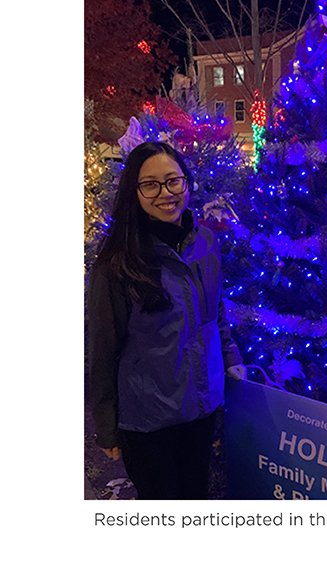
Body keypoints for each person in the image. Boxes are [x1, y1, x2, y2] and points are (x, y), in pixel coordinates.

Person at [88, 141, 245, 499]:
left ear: (187, 183)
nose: (165, 193)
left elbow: (215, 314)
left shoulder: (204, 241)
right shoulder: (117, 262)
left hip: (201, 409)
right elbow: (102, 347)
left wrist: (232, 360)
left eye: (173, 181)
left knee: (195, 499)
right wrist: (106, 427)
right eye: (150, 184)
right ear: (134, 191)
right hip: (148, 421)